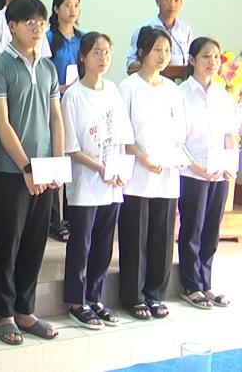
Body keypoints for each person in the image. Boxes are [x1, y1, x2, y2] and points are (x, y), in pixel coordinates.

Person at [0, 0, 64, 345]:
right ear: (11, 26)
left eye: (41, 22)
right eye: (29, 22)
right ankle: (2, 312)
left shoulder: (47, 67)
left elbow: (56, 119)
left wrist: (56, 163)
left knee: (35, 242)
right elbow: (2, 124)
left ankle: (25, 309)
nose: (37, 28)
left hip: (44, 169)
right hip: (10, 170)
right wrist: (26, 167)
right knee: (9, 242)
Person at [60, 32, 132, 330]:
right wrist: (100, 168)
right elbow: (71, 146)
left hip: (111, 180)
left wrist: (119, 170)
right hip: (85, 181)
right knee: (82, 243)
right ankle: (76, 301)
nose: (103, 57)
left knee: (104, 242)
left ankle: (95, 296)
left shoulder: (113, 91)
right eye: (96, 52)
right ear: (83, 56)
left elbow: (123, 136)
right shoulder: (73, 95)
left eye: (106, 52)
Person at [118, 27, 186, 321]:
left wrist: (171, 157)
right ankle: (133, 296)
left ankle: (155, 294)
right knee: (136, 235)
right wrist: (142, 158)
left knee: (162, 235)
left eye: (167, 50)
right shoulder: (129, 87)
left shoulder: (172, 89)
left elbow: (179, 131)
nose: (162, 55)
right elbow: (123, 132)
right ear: (143, 52)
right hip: (137, 172)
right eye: (157, 49)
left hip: (166, 172)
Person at [177, 37, 237, 310]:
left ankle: (206, 282)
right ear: (192, 60)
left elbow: (230, 135)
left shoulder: (224, 96)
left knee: (212, 230)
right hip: (193, 172)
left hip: (219, 171)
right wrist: (196, 167)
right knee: (192, 228)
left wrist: (229, 166)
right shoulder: (182, 94)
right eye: (205, 56)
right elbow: (178, 139)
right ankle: (190, 285)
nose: (212, 62)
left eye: (215, 57)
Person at [45, 0, 84, 244]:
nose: (72, 10)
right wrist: (61, 88)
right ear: (56, 8)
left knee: (73, 158)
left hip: (78, 104)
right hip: (55, 102)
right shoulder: (48, 38)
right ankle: (53, 220)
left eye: (76, 5)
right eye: (67, 5)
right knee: (54, 159)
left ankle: (72, 217)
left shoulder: (83, 38)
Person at [125, 0, 194, 74]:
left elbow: (192, 59)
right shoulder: (145, 29)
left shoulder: (186, 30)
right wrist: (153, 65)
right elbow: (131, 63)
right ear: (158, 1)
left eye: (176, 0)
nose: (172, 4)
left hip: (182, 79)